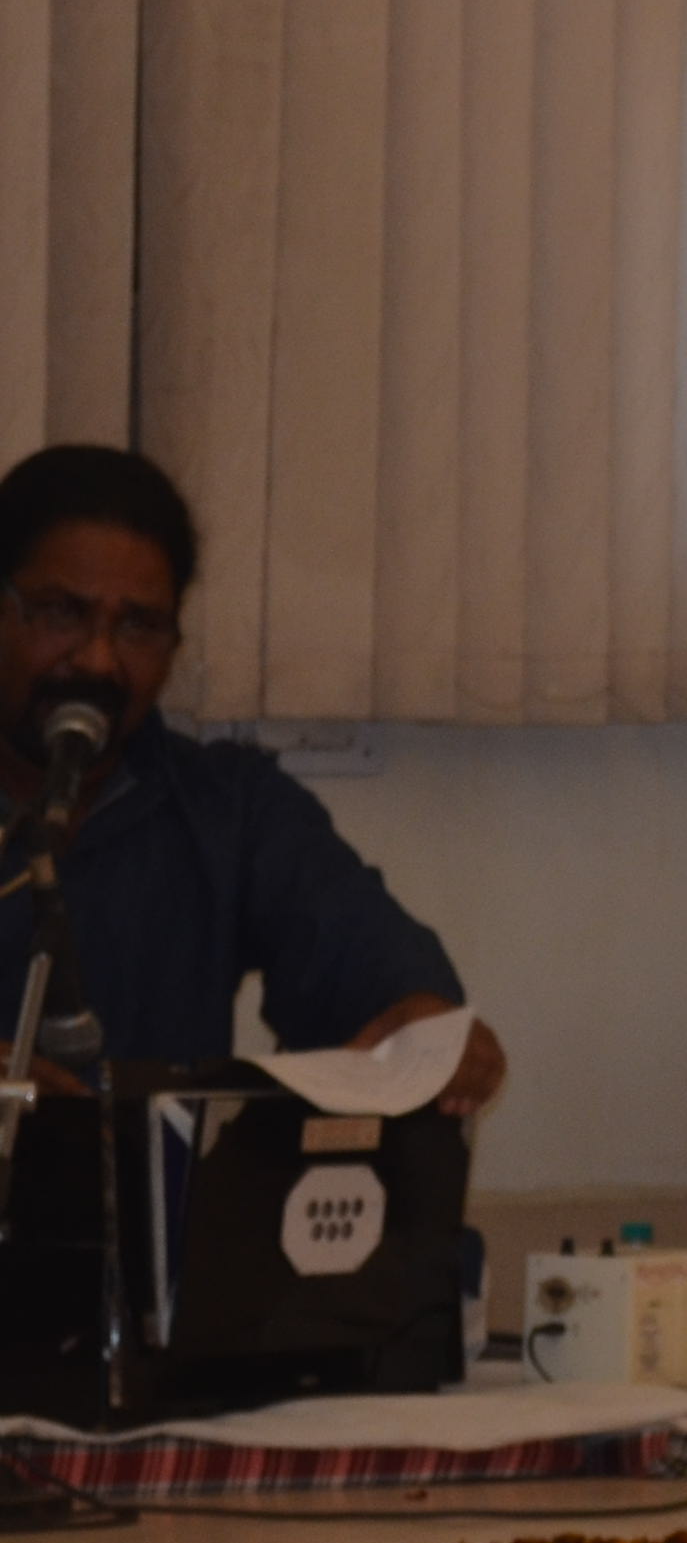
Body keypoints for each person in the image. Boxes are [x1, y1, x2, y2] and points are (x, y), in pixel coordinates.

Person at [0, 442, 503, 1107]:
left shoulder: (226, 807)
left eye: (138, 626)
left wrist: (422, 1026)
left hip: (160, 1176)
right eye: (63, 613)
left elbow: (363, 955)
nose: (99, 660)